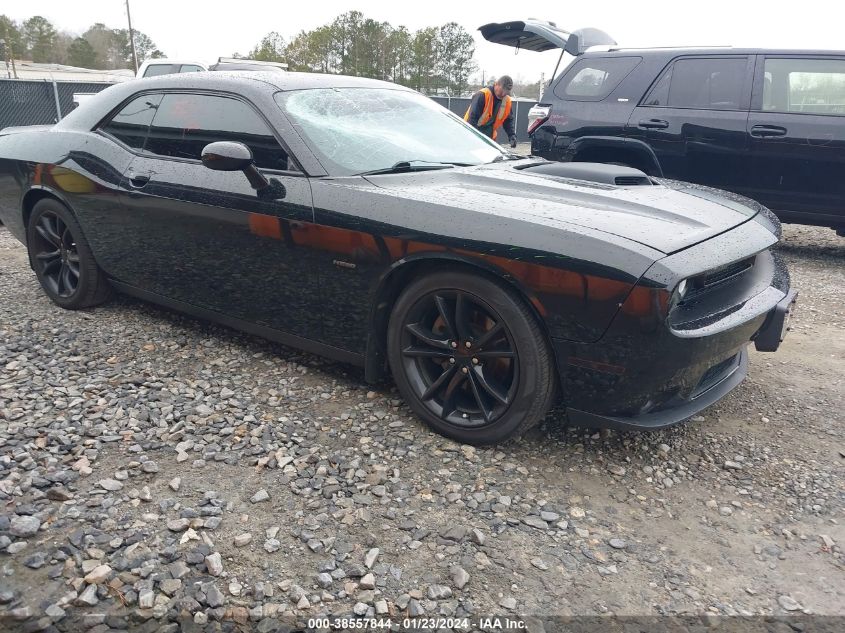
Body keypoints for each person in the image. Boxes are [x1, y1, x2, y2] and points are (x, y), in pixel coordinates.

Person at [464, 75, 517, 147]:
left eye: (506, 92)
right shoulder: (483, 95)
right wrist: (475, 139)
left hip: (489, 138)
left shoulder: (507, 101)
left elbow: (508, 120)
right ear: (497, 84)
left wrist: (512, 136)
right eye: (502, 91)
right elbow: (472, 119)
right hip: (471, 134)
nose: (504, 94)